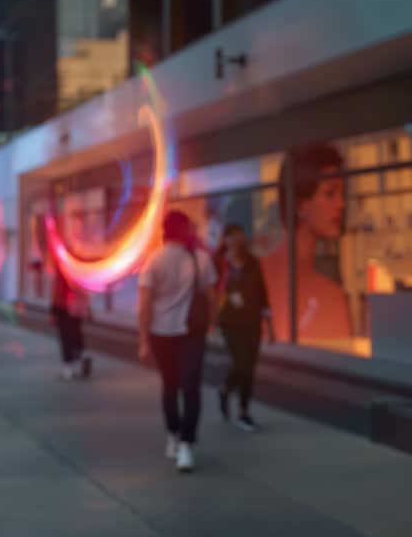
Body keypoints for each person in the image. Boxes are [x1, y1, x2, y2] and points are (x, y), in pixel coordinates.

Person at [138, 210, 217, 473]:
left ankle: (173, 435)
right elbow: (211, 297)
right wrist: (212, 325)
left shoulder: (153, 261)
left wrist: (143, 340)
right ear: (184, 230)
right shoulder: (201, 259)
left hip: (161, 334)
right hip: (192, 333)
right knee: (191, 387)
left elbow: (144, 305)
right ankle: (186, 444)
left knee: (170, 386)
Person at [261, 143, 351, 348]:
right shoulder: (330, 296)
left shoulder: (331, 292)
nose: (341, 204)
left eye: (342, 193)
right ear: (301, 204)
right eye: (330, 193)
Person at [215, 224, 271, 432]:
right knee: (242, 364)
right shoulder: (220, 263)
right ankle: (230, 394)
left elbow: (262, 293)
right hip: (230, 323)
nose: (234, 241)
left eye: (237, 237)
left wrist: (270, 326)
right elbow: (213, 291)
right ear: (225, 240)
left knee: (249, 367)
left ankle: (241, 408)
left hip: (252, 321)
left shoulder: (253, 263)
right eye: (230, 237)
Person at [51, 266, 92, 380]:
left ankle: (67, 368)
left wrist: (53, 311)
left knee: (65, 337)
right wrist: (88, 308)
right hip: (77, 307)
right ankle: (83, 354)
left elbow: (58, 290)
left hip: (63, 307)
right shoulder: (78, 267)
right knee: (76, 333)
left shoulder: (62, 267)